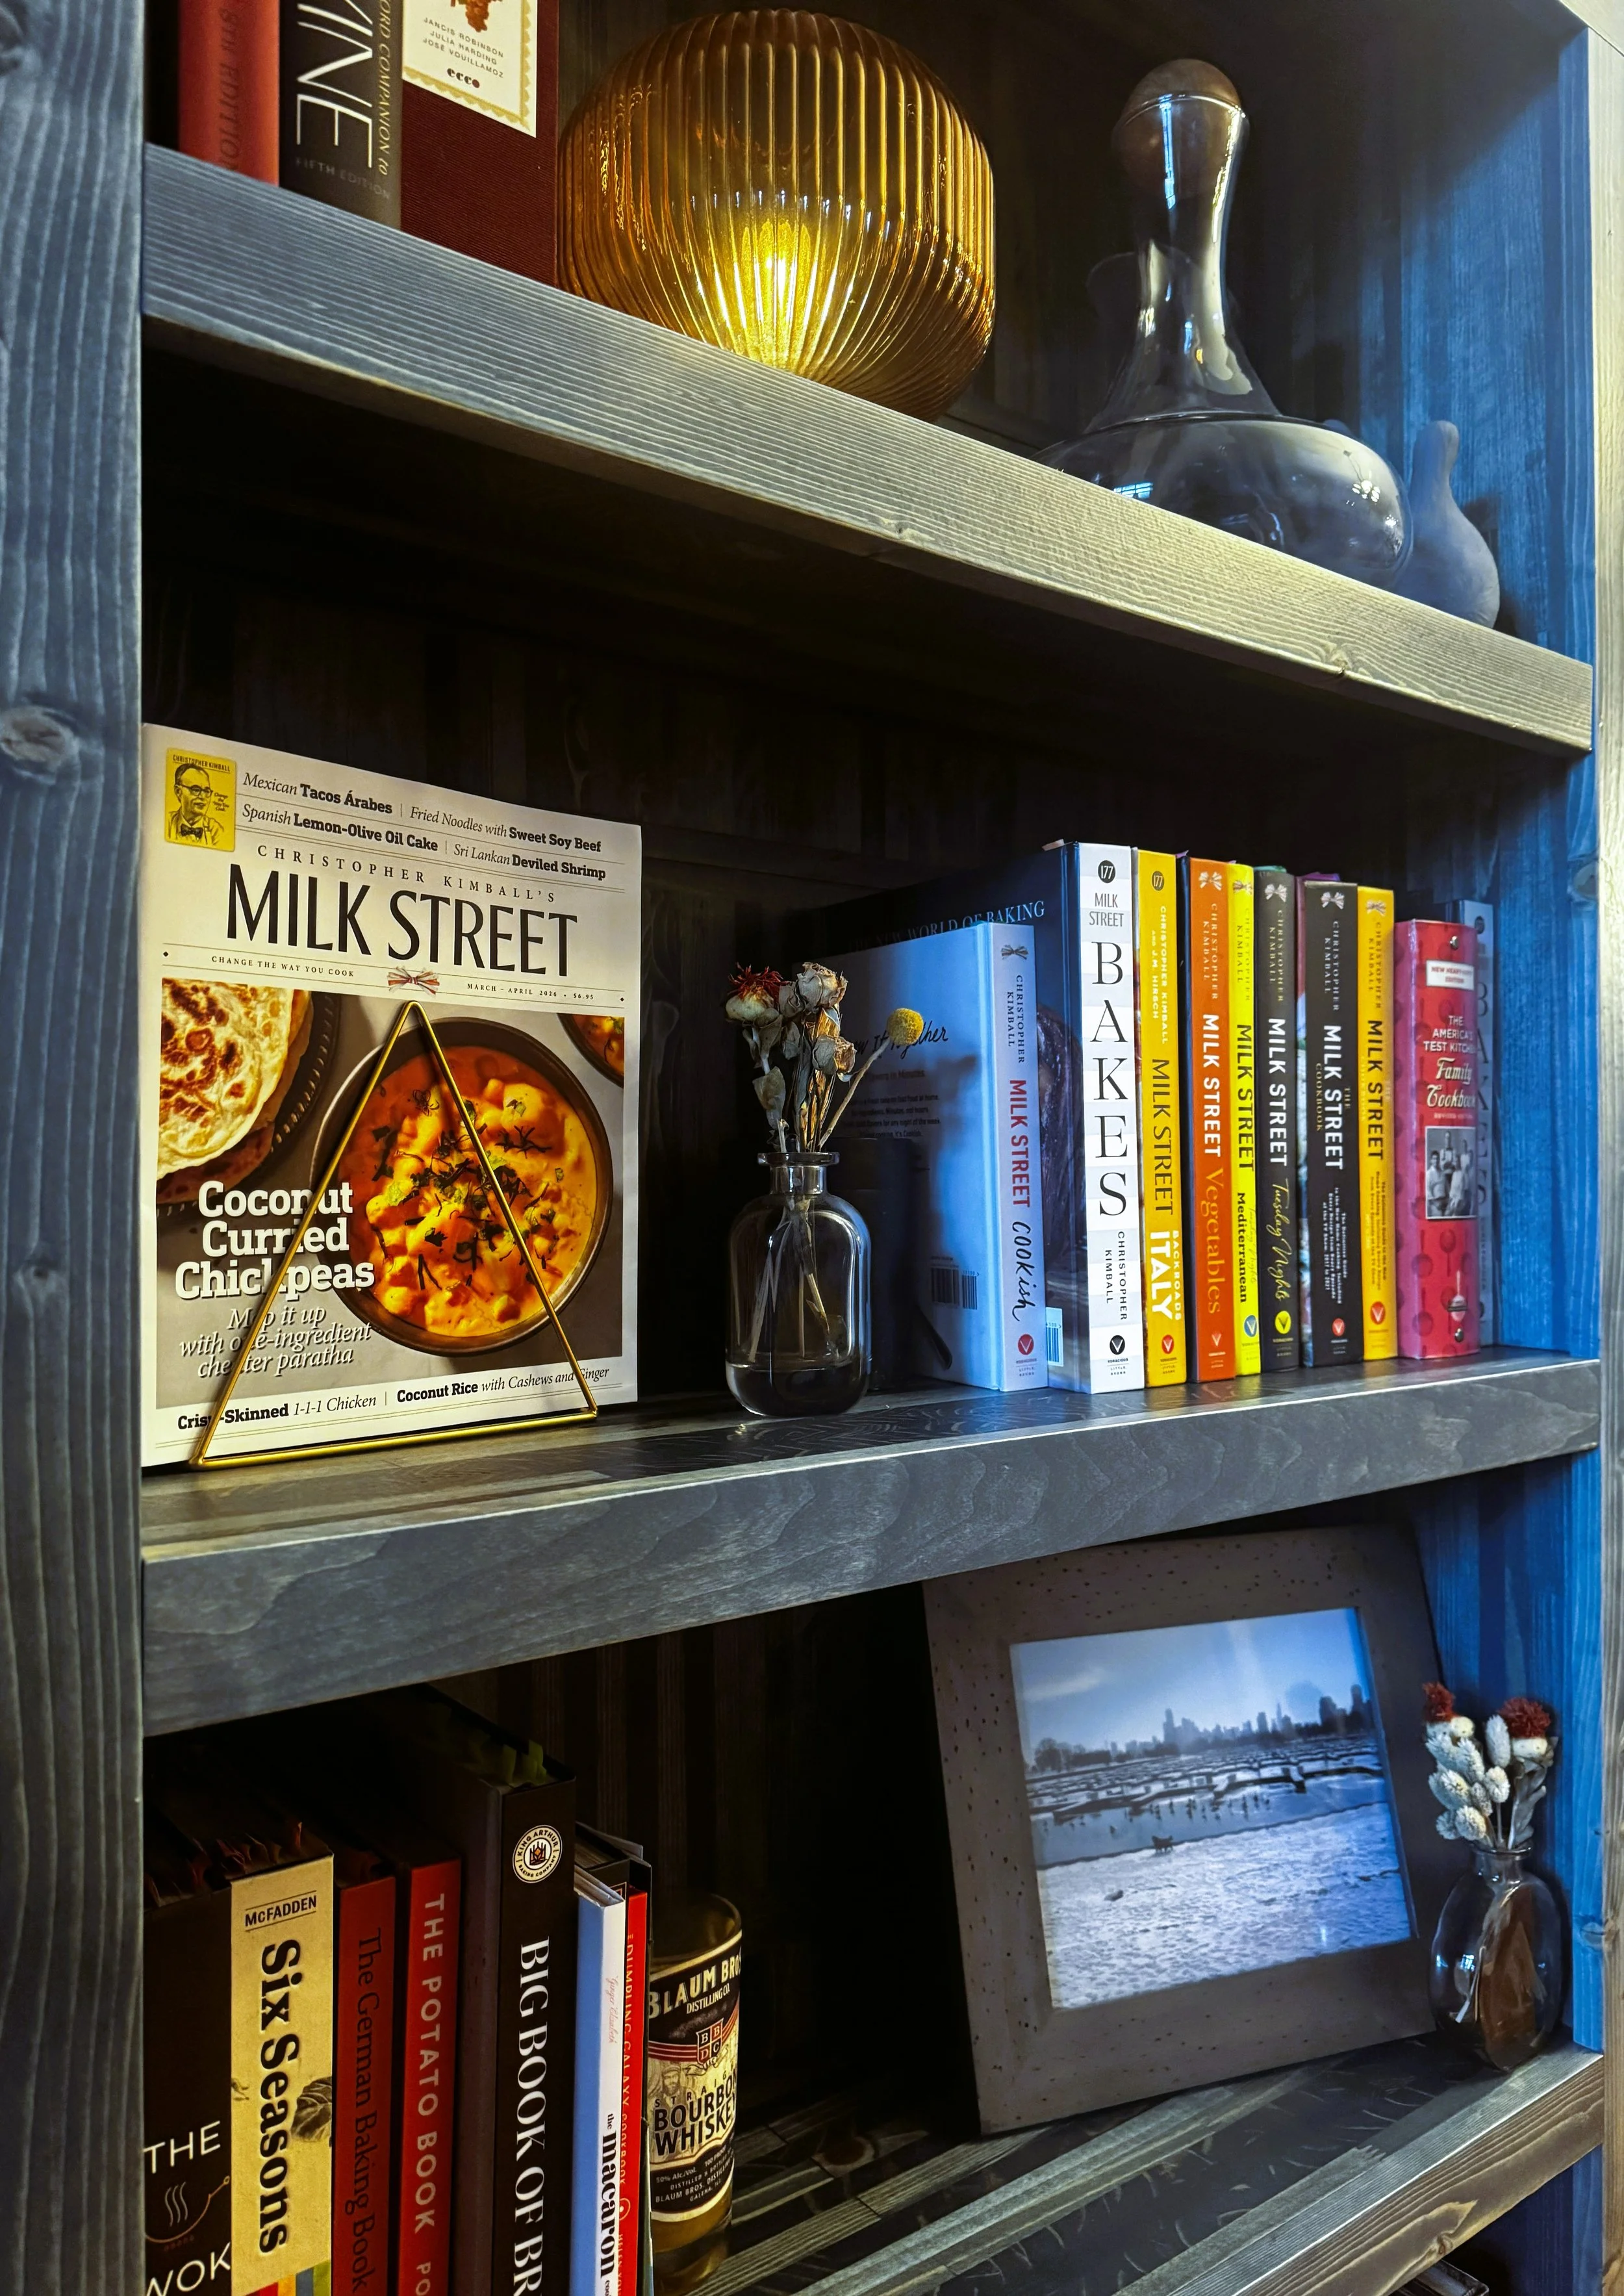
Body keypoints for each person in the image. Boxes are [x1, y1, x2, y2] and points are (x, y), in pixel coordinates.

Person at [168, 760, 220, 845]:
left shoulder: (216, 831)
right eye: (196, 790)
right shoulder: (166, 822)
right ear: (178, 792)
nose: (203, 797)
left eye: (207, 791)